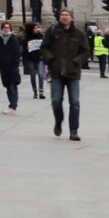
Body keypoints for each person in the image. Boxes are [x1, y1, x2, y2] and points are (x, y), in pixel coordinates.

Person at [43, 8, 92, 141]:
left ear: (71, 18)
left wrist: (77, 61)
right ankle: (58, 121)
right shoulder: (53, 31)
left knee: (75, 103)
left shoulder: (79, 34)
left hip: (73, 72)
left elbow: (86, 51)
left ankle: (73, 131)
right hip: (57, 71)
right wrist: (50, 59)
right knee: (56, 101)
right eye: (62, 15)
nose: (64, 17)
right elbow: (44, 47)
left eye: (67, 15)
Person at [0, 21, 24, 111]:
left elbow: (17, 52)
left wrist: (15, 63)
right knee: (7, 86)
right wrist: (0, 64)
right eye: (4, 28)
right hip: (3, 67)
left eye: (8, 28)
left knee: (13, 86)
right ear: (2, 29)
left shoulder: (13, 38)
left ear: (10, 29)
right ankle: (11, 104)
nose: (6, 29)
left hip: (12, 67)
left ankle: (13, 105)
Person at [23, 21, 46, 99]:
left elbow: (46, 46)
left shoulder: (41, 36)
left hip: (40, 58)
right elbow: (23, 50)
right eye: (35, 28)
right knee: (32, 75)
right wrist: (26, 49)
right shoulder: (27, 38)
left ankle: (41, 91)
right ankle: (35, 91)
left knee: (40, 74)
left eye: (38, 28)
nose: (37, 29)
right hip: (30, 58)